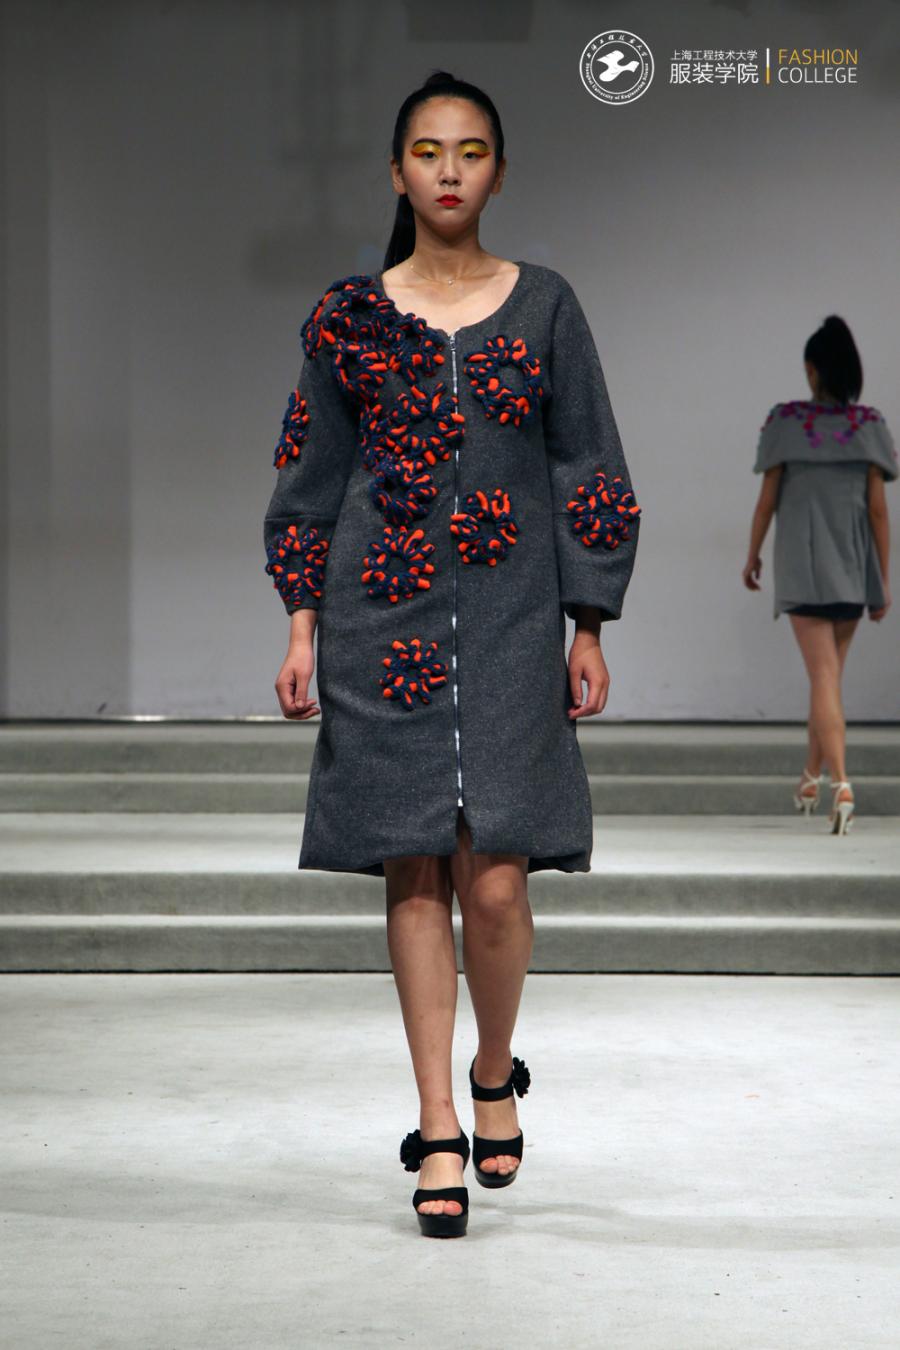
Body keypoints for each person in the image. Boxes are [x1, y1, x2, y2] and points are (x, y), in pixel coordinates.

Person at [262, 70, 641, 1237]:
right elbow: (311, 471)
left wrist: (588, 620)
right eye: (427, 151)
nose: (447, 171)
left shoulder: (547, 307)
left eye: (470, 151)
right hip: (380, 620)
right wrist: (300, 619)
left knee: (498, 880)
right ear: (397, 171)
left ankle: (492, 1068)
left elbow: (588, 465)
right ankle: (436, 1120)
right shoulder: (350, 318)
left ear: (499, 172)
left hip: (517, 613)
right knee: (414, 868)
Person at [743, 315, 896, 835]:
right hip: (853, 568)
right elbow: (879, 512)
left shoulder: (785, 422)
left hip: (803, 567)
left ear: (812, 369)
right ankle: (810, 777)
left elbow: (767, 500)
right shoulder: (870, 426)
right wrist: (882, 579)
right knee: (826, 679)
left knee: (824, 678)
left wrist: (752, 555)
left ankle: (843, 785)